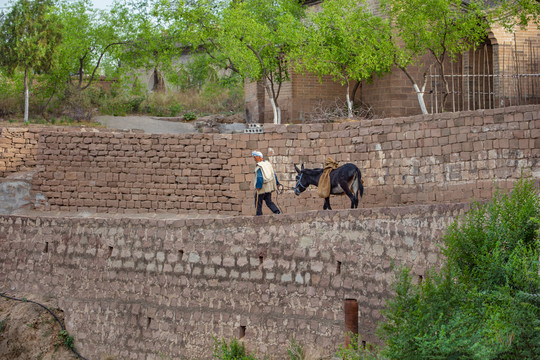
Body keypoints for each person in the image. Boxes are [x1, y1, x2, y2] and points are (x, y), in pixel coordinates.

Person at [252, 150, 281, 216]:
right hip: (269, 187)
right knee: (268, 201)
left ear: (259, 157)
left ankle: (259, 215)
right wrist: (277, 183)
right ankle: (277, 212)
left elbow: (259, 177)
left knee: (258, 201)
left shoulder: (259, 166)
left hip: (262, 188)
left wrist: (258, 187)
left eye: (255, 157)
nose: (254, 159)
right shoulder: (268, 164)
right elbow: (273, 174)